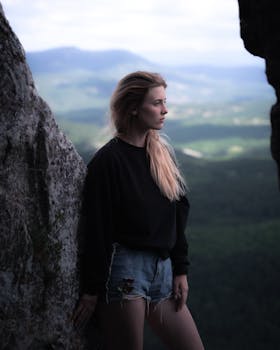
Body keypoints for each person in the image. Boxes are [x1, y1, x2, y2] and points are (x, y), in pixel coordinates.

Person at [73, 71, 204, 350]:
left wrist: (180, 269)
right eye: (156, 103)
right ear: (133, 107)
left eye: (164, 102)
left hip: (164, 272)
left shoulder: (161, 155)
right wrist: (91, 291)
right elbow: (98, 229)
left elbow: (177, 216)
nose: (165, 110)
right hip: (125, 274)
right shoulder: (108, 162)